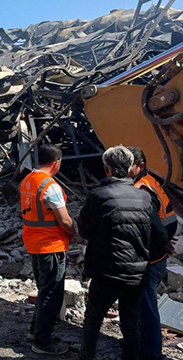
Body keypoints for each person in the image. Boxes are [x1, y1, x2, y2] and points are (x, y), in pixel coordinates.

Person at [78, 146, 153, 360]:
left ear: (107, 168)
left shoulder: (99, 195)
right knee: (130, 321)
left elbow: (84, 231)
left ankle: (87, 357)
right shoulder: (144, 197)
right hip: (136, 273)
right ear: (130, 168)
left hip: (107, 271)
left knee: (93, 319)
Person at [19, 144, 76, 355]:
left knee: (44, 290)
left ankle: (35, 331)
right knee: (52, 294)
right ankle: (42, 342)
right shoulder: (50, 186)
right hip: (51, 245)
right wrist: (75, 234)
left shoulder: (28, 180)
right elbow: (65, 220)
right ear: (56, 162)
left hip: (34, 243)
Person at [128, 147, 173, 360]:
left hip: (152, 257)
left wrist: (163, 244)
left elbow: (154, 226)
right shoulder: (149, 181)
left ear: (141, 166)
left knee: (146, 308)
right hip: (157, 253)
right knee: (144, 304)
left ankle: (152, 354)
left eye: (129, 166)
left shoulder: (141, 189)